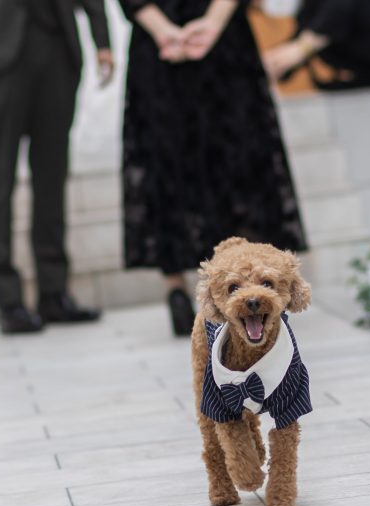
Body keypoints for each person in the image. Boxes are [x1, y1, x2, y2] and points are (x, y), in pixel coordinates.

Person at [118, 0, 307, 337]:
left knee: (168, 163)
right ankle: (249, 287)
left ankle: (178, 287)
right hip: (223, 47)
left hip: (163, 50)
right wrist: (212, 24)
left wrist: (166, 32)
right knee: (236, 159)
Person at [0, 0, 115, 335]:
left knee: (52, 177)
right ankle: (9, 302)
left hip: (57, 46)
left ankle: (54, 293)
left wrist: (102, 39)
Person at [262, 0, 370, 88]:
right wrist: (274, 66)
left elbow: (338, 9)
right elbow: (295, 46)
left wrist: (303, 48)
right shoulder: (307, 13)